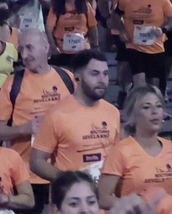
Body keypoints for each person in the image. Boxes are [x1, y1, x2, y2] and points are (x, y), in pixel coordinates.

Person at [0, 30, 75, 214]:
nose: (25, 54)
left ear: (46, 47)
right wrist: (26, 128)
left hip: (61, 172)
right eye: (21, 49)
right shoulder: (13, 84)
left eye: (29, 47)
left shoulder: (66, 78)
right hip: (26, 175)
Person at [30, 51, 119, 188]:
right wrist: (68, 181)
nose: (102, 80)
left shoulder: (113, 112)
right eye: (95, 74)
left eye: (105, 73)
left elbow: (117, 155)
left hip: (104, 203)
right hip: (70, 203)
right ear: (77, 79)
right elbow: (36, 161)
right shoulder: (57, 115)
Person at [97, 85, 172, 211]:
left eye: (158, 106)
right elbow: (103, 198)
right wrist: (138, 207)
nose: (154, 111)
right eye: (146, 107)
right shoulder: (120, 151)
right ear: (132, 116)